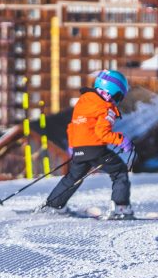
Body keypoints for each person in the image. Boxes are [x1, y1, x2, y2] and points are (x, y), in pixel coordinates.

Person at [44, 69, 136, 218]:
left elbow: (73, 126)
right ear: (113, 91)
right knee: (119, 171)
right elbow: (102, 133)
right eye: (119, 95)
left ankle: (54, 205)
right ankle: (121, 208)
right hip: (95, 148)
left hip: (79, 148)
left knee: (73, 177)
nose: (118, 100)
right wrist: (122, 141)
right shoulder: (106, 108)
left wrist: (72, 146)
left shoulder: (83, 102)